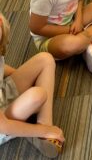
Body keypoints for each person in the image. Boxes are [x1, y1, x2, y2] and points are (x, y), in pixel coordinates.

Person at [0, 13, 64, 158]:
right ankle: (43, 132)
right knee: (38, 95)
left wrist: (24, 75)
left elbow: (2, 67)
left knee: (45, 59)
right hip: (2, 125)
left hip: (2, 94)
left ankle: (44, 124)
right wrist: (45, 130)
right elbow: (3, 125)